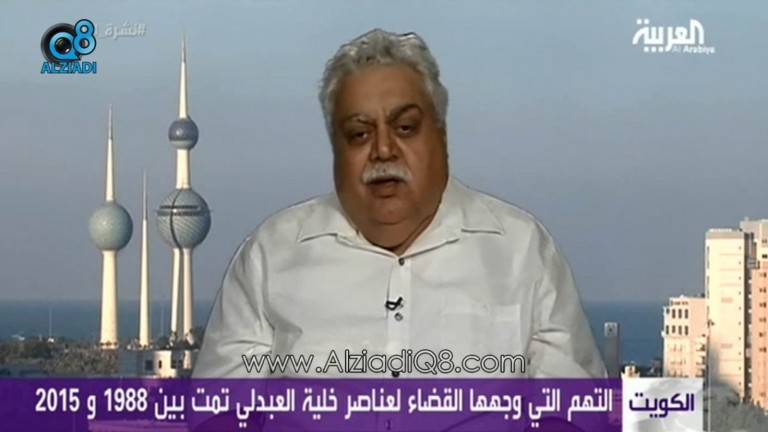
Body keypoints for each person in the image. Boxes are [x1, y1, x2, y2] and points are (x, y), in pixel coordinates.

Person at [192, 28, 605, 381]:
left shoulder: (522, 250)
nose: (383, 150)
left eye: (405, 127)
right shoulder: (270, 254)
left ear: (441, 135)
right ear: (335, 148)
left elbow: (571, 411)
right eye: (359, 134)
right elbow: (218, 410)